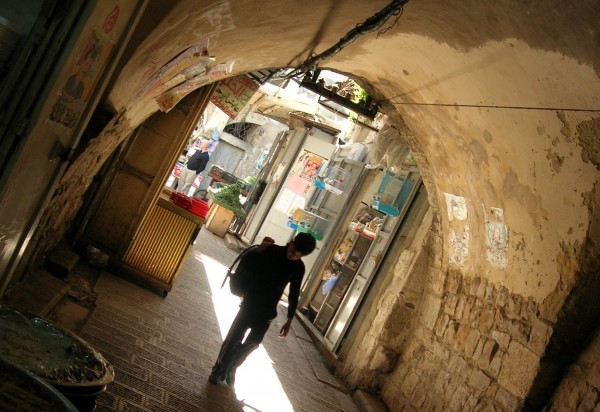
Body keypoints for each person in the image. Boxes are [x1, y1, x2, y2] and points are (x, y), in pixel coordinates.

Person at [209, 232, 317, 386]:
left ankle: (232, 365)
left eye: (297, 256)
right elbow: (247, 266)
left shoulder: (299, 267)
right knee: (234, 337)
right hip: (251, 302)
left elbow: (294, 293)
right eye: (292, 251)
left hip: (268, 309)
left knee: (254, 342)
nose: (292, 256)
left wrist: (289, 319)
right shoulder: (272, 251)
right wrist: (259, 249)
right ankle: (218, 370)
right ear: (291, 242)